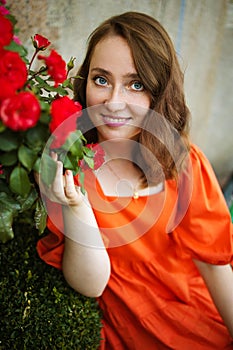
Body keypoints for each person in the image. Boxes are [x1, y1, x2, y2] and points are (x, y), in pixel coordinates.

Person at [37, 11, 233, 349]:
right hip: (129, 322)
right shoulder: (73, 166)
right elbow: (92, 284)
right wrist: (76, 206)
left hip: (189, 302)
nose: (113, 101)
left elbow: (214, 268)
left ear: (159, 93)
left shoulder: (185, 164)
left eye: (136, 84)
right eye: (101, 79)